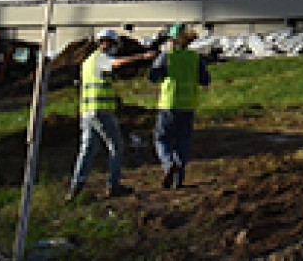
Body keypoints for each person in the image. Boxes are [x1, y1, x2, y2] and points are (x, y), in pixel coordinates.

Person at [68, 28, 156, 201]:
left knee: (87, 149)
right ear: (107, 43)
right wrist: (142, 57)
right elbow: (116, 64)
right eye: (114, 45)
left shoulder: (87, 61)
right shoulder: (101, 58)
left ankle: (76, 187)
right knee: (116, 146)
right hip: (101, 112)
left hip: (87, 113)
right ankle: (113, 185)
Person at [148, 23, 211, 189]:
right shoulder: (194, 57)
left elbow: (153, 76)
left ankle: (168, 164)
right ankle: (179, 179)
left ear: (171, 40)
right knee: (183, 141)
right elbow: (205, 80)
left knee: (161, 139)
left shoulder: (167, 56)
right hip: (188, 105)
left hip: (168, 103)